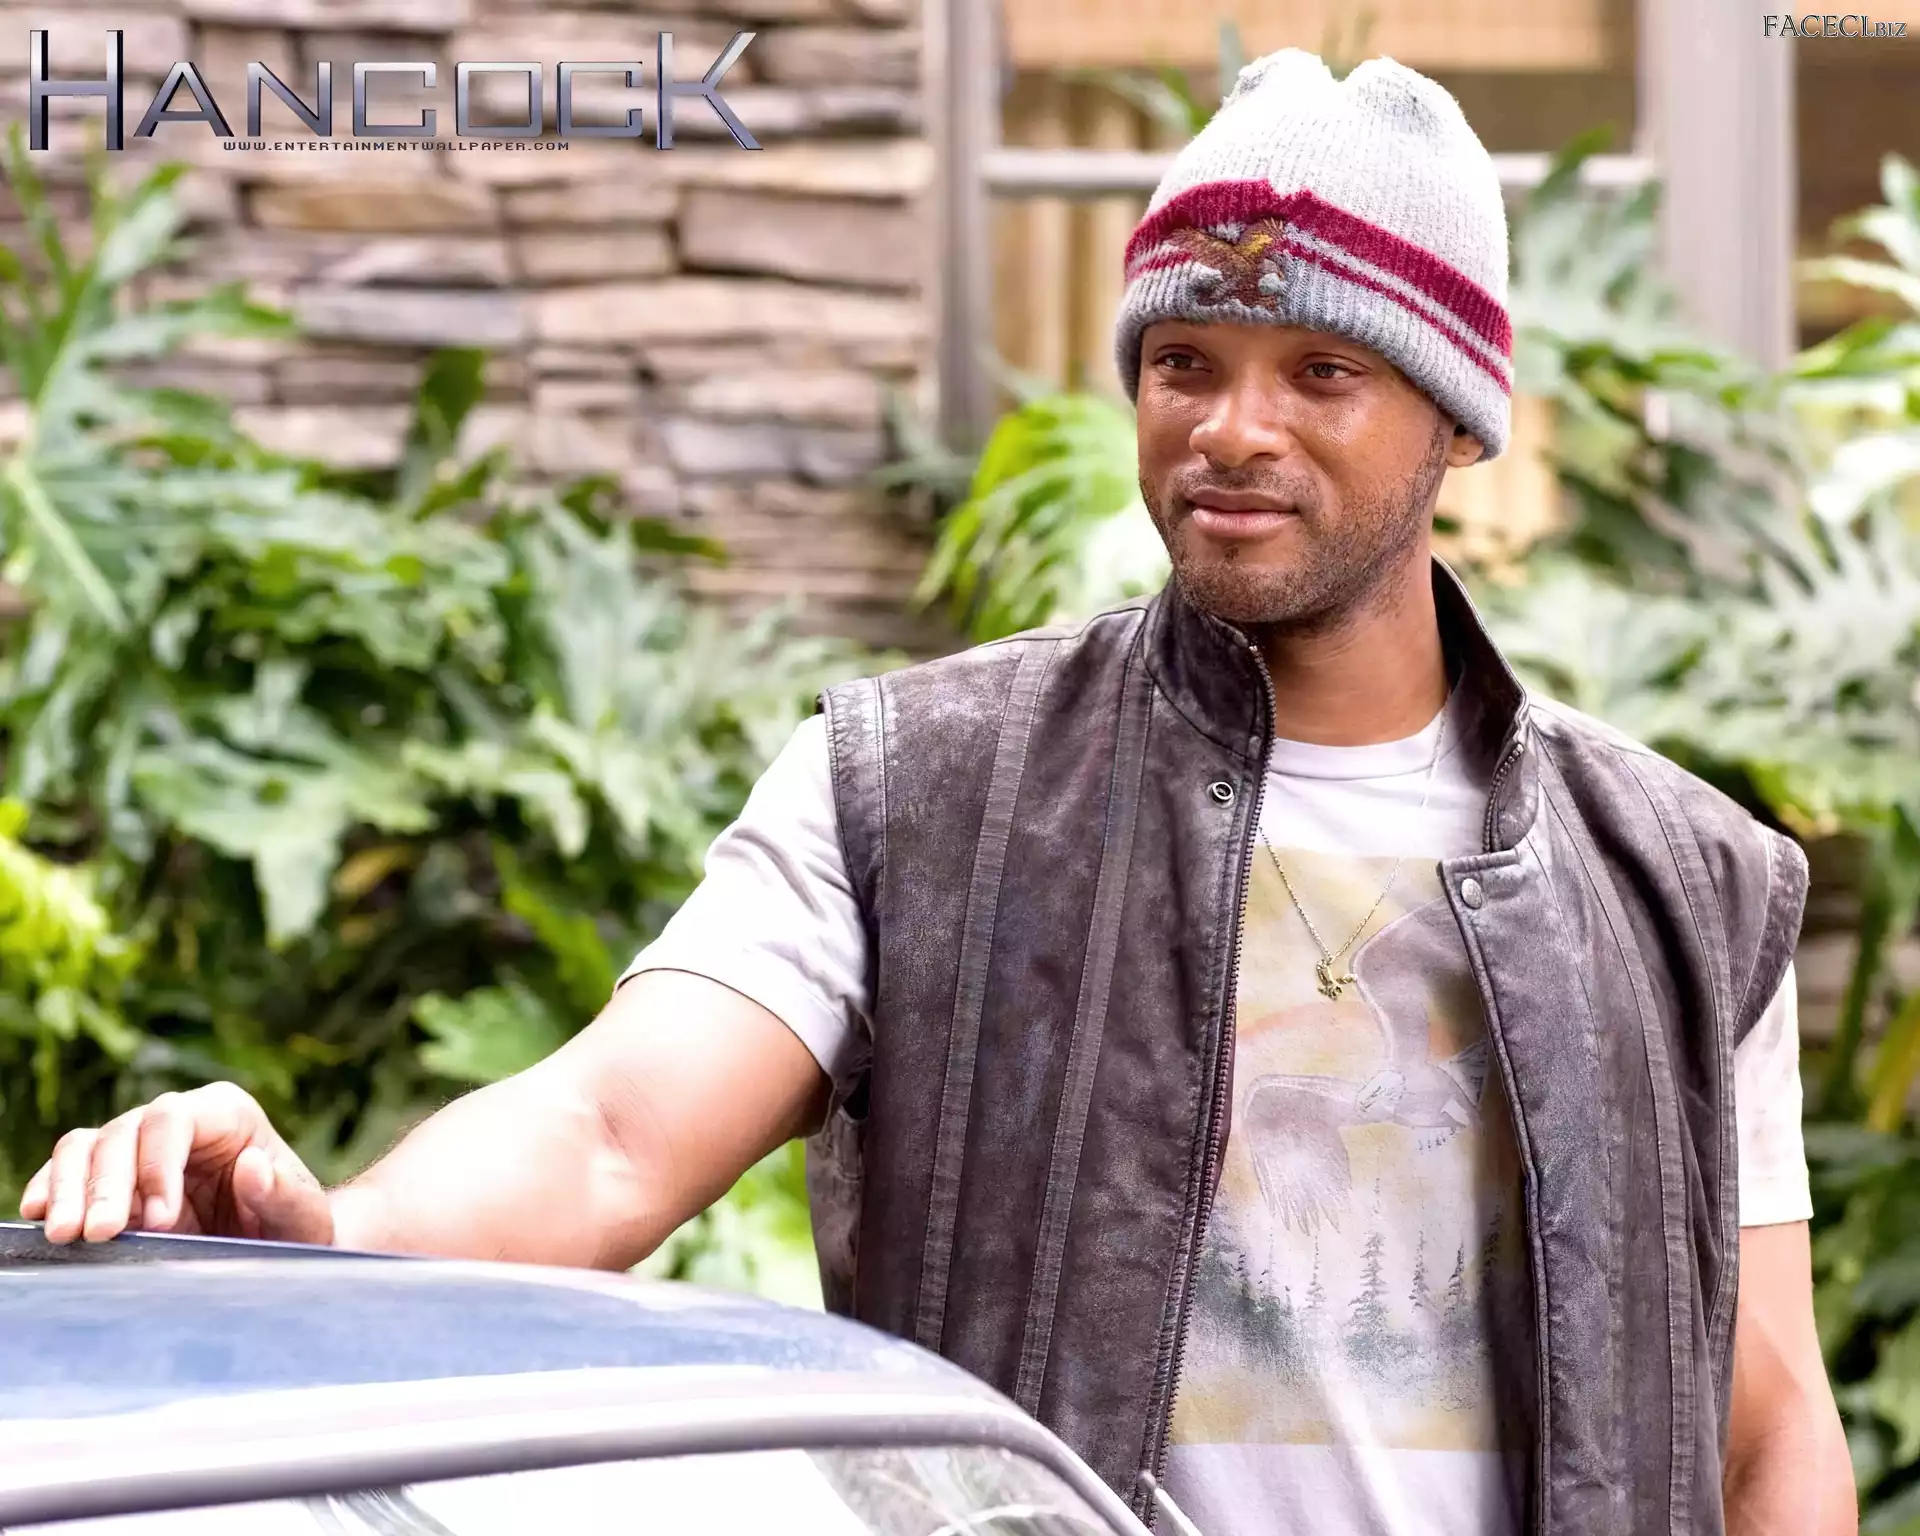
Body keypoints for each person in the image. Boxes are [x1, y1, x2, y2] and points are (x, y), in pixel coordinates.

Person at [22, 48, 1852, 1536]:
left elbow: (1765, 1432)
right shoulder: (923, 792)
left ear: (1456, 418)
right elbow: (608, 1133)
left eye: (1325, 372)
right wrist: (335, 1237)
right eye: (1185, 362)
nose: (1232, 429)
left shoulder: (1679, 885)